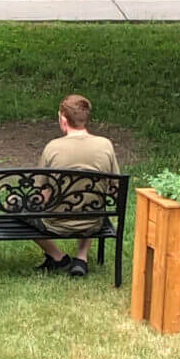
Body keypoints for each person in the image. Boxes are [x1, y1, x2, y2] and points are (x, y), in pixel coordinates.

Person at [32, 94, 120, 277]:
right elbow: (115, 186)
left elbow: (42, 192)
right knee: (92, 199)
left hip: (56, 222)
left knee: (15, 206)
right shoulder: (105, 145)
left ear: (63, 119)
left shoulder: (52, 147)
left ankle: (58, 257)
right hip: (93, 221)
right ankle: (81, 257)